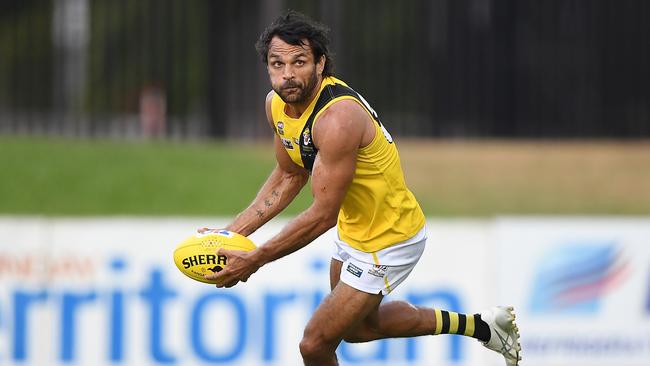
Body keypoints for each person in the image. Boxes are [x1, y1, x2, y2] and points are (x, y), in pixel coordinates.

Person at [201, 10, 521, 366]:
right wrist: (229, 234)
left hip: (390, 235)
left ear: (320, 64)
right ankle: (486, 327)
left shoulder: (338, 119)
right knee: (356, 330)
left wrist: (255, 259)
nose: (287, 74)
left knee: (314, 344)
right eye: (277, 64)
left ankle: (487, 327)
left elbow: (323, 215)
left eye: (299, 62)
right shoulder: (276, 104)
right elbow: (289, 174)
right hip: (356, 228)